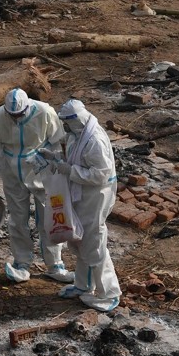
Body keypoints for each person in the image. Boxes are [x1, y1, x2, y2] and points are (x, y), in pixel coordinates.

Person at [0, 88, 73, 284]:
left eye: (19, 115)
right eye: (12, 115)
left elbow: (59, 141)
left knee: (49, 216)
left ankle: (55, 264)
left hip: (41, 169)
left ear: (27, 108)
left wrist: (53, 160)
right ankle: (22, 263)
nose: (15, 119)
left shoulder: (45, 112)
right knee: (17, 218)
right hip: (12, 170)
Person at [40, 100, 121, 312]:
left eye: (66, 123)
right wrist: (54, 157)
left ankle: (109, 293)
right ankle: (83, 285)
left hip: (96, 195)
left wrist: (68, 170)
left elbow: (100, 174)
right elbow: (74, 158)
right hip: (83, 193)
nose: (64, 127)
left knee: (94, 242)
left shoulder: (94, 140)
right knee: (80, 239)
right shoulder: (79, 134)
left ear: (75, 120)